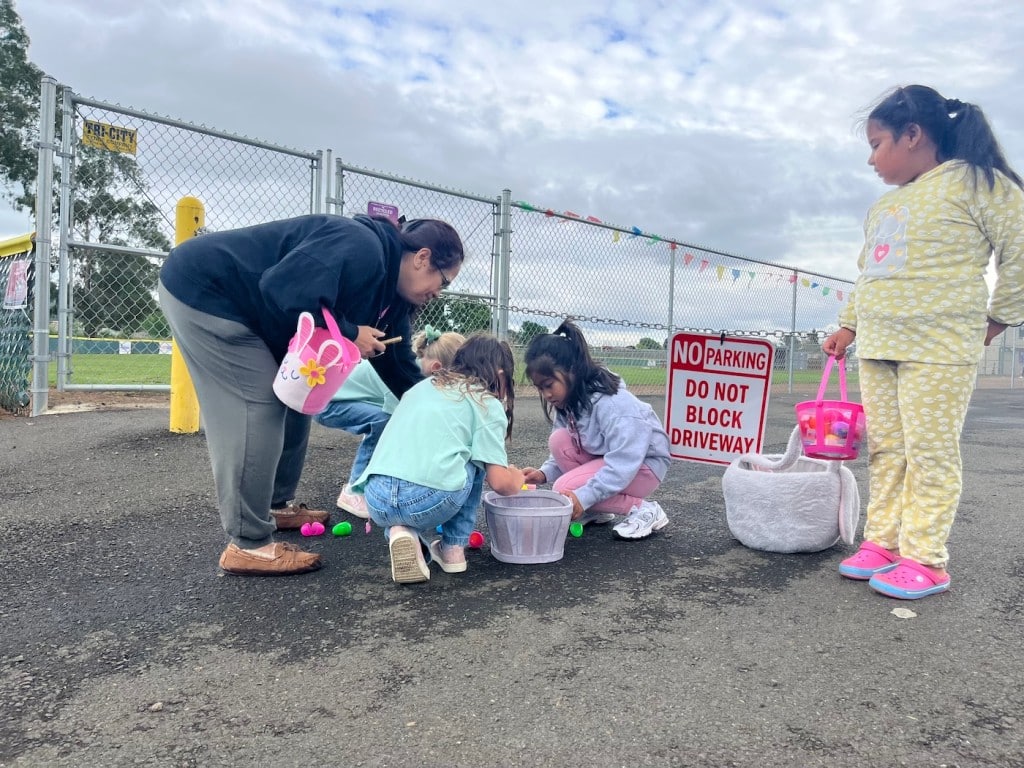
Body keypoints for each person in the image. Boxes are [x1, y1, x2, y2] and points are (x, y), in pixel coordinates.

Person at [158, 214, 464, 576]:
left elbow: (398, 367)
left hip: (254, 313)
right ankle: (248, 543)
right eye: (442, 281)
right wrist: (350, 333)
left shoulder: (390, 298)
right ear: (422, 258)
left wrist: (443, 409)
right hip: (209, 293)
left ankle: (274, 506)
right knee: (257, 407)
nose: (438, 292)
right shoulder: (361, 245)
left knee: (299, 398)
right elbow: (284, 288)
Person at [823, 85, 1024, 600]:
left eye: (877, 143)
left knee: (929, 453)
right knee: (886, 450)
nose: (871, 158)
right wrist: (849, 325)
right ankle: (883, 542)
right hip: (879, 343)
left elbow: (1019, 247)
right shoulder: (883, 208)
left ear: (912, 135)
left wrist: (998, 319)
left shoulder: (980, 184)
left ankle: (926, 558)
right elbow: (869, 273)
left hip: (939, 345)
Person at [354, 333, 524, 584]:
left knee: (403, 513)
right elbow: (500, 482)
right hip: (428, 500)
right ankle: (453, 549)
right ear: (499, 373)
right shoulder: (484, 401)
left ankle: (402, 533)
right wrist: (516, 478)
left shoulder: (421, 388)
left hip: (377, 500)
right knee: (478, 461)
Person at [521, 319, 672, 540]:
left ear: (572, 371)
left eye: (549, 385)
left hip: (643, 466)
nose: (546, 394)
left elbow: (623, 463)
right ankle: (596, 510)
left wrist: (582, 496)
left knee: (564, 489)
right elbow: (568, 444)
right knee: (559, 441)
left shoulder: (613, 404)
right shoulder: (569, 401)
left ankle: (643, 509)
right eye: (540, 388)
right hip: (612, 459)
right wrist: (544, 473)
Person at [316, 326, 466, 519]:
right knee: (383, 422)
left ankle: (368, 482)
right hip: (326, 402)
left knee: (386, 423)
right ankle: (353, 491)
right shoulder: (403, 380)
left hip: (341, 397)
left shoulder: (416, 371)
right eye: (455, 379)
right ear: (437, 369)